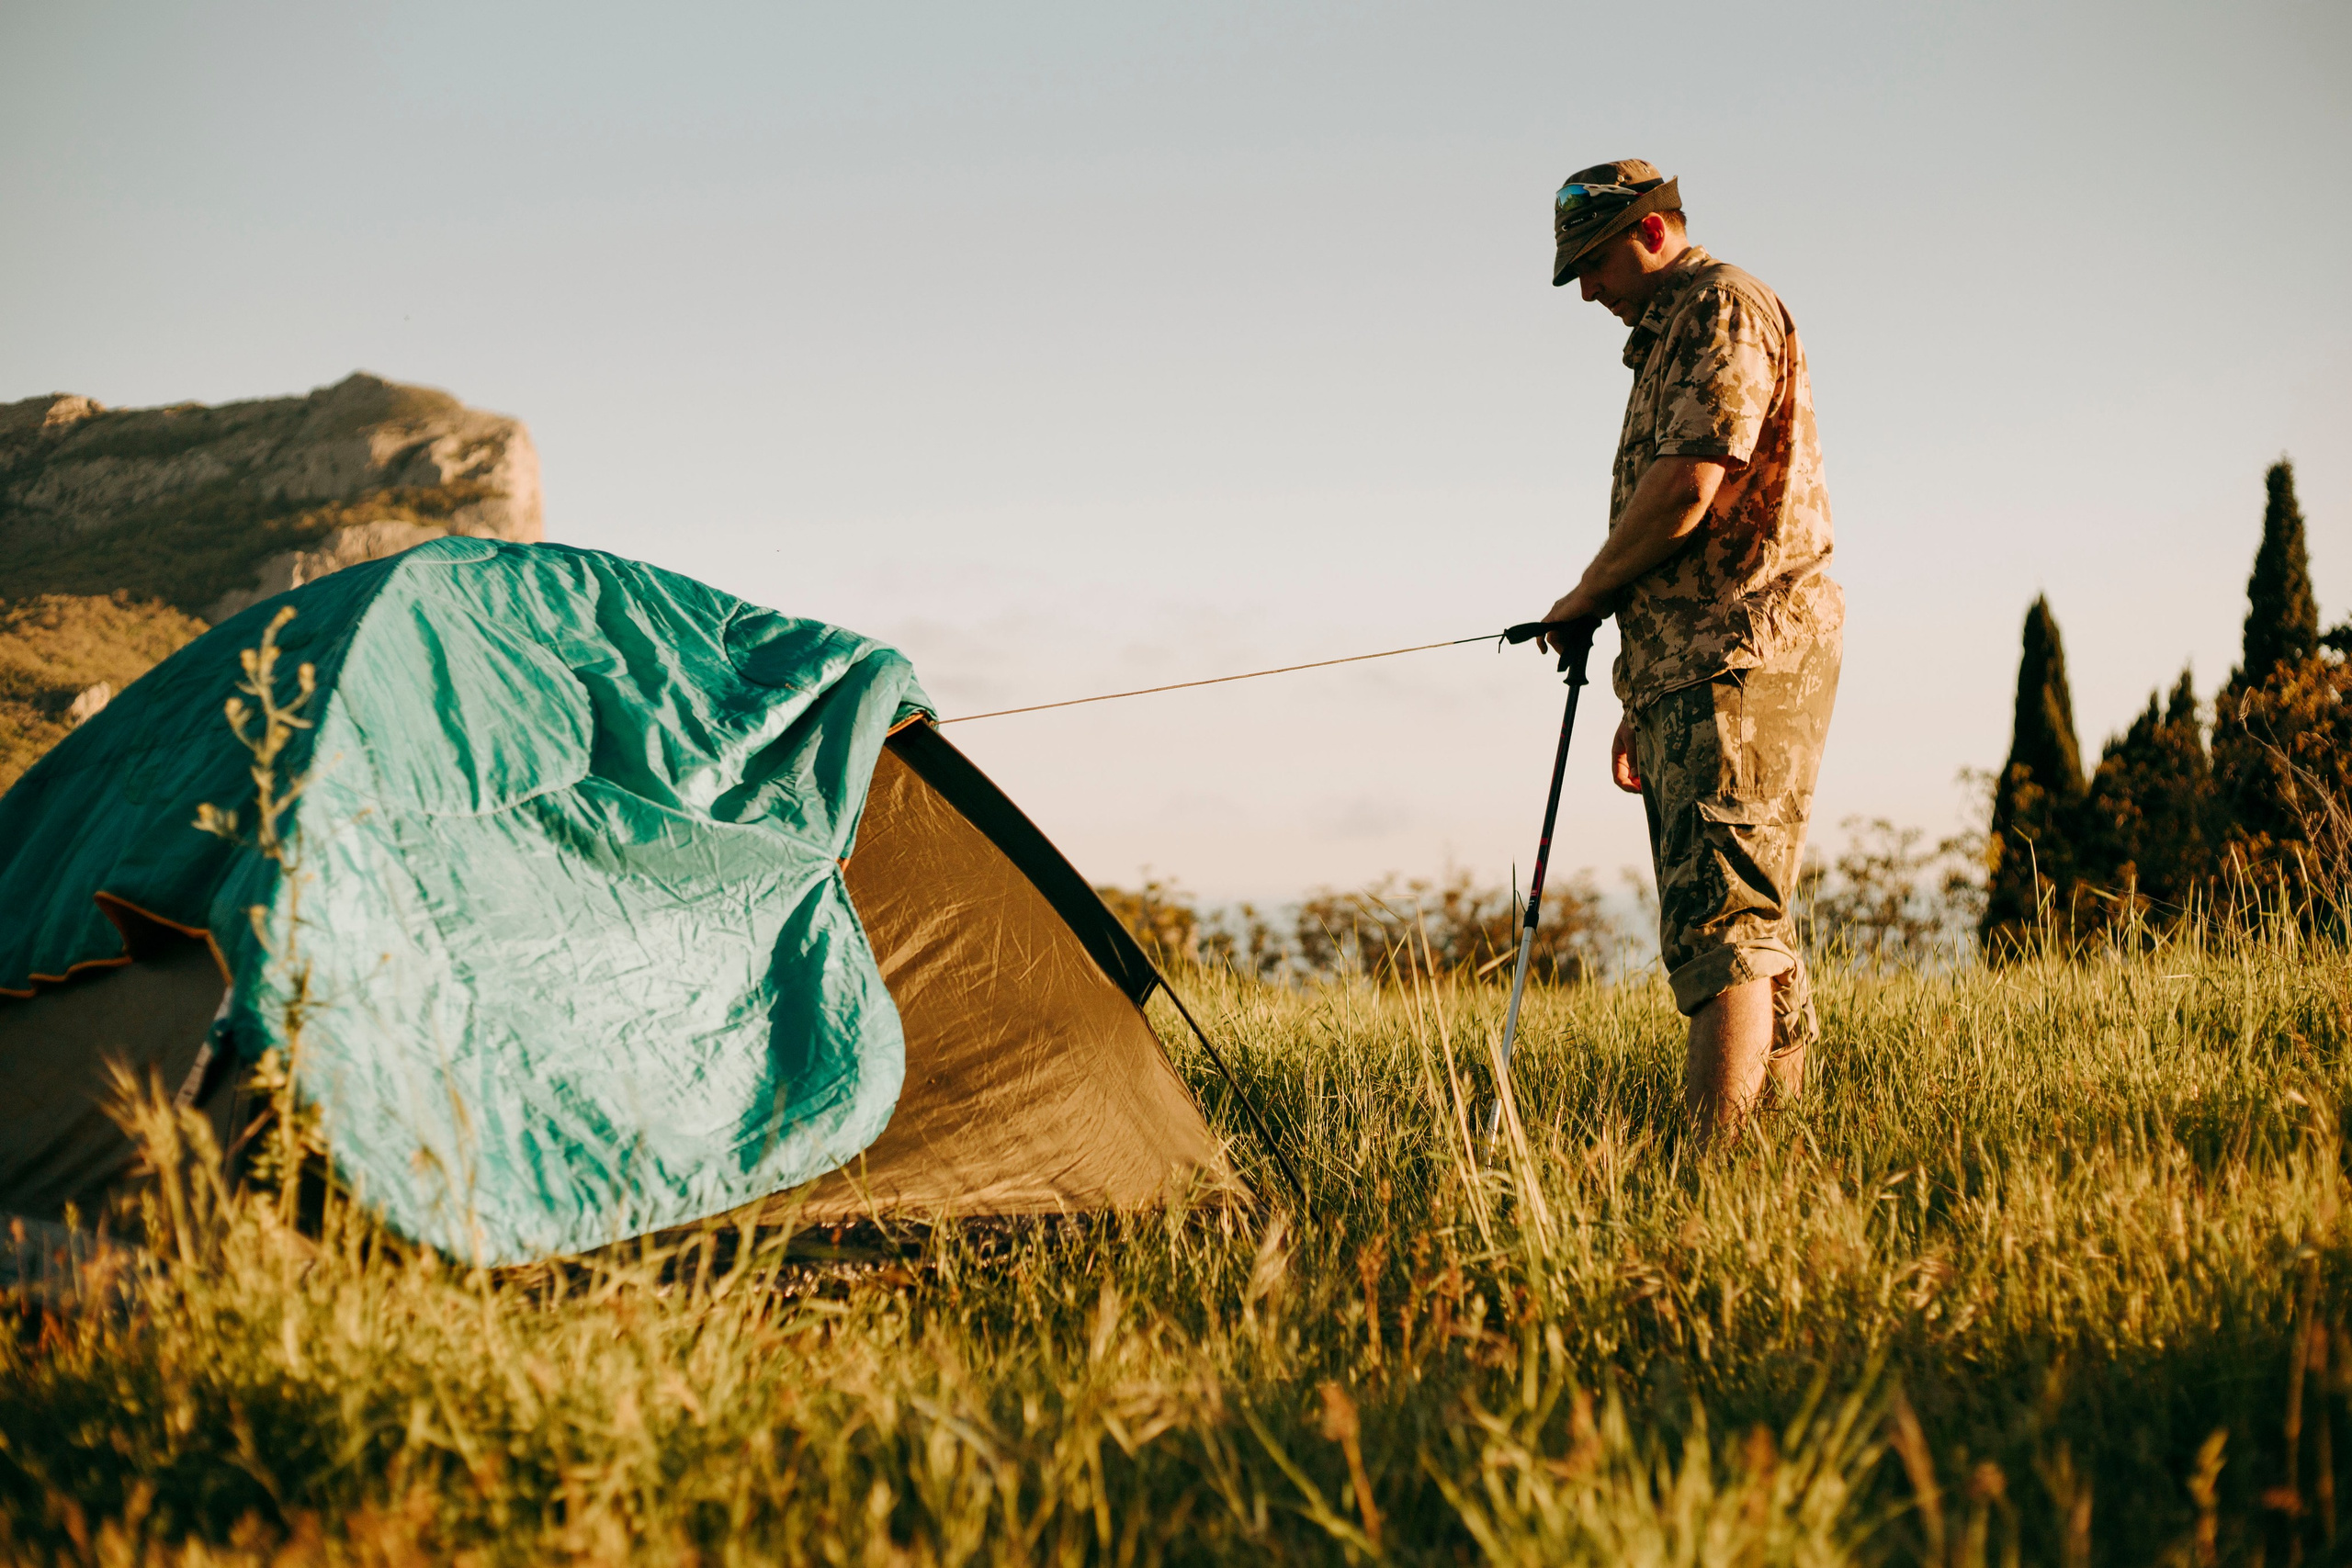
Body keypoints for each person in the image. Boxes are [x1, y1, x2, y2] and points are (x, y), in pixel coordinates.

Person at [1532, 159, 1842, 1141]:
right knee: (1744, 916)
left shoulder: (1721, 307)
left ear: (1654, 231)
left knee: (1723, 928)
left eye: (1593, 261)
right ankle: (1769, 1153)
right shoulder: (1666, 334)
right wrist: (1638, 689)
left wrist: (1583, 595)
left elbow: (1686, 489)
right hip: (1689, 668)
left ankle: (1710, 1171)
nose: (1586, 288)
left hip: (1738, 655)